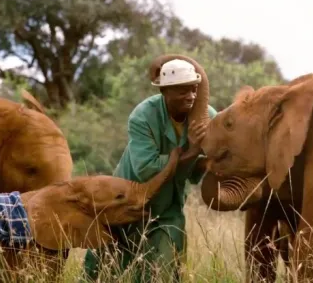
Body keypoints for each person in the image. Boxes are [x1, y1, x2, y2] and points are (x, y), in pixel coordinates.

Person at [82, 58, 217, 282]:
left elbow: (194, 175)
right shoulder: (143, 115)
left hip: (168, 208)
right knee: (99, 271)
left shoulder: (206, 116)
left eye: (193, 90)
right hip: (125, 202)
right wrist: (192, 151)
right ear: (165, 92)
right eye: (182, 91)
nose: (191, 96)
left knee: (162, 271)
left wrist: (207, 162)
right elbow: (146, 170)